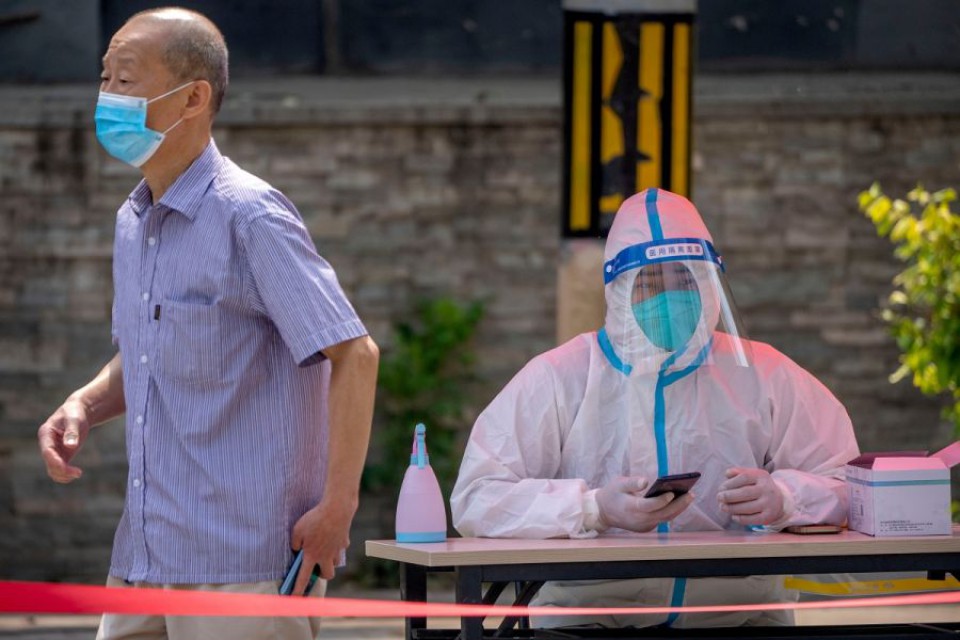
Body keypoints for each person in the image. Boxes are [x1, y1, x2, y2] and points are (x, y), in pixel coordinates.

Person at [36, 7, 379, 639]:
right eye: (104, 77)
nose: (106, 96)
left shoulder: (251, 216)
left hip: (243, 563)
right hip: (145, 554)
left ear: (193, 98)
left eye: (126, 80)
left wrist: (338, 507)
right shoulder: (132, 220)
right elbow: (147, 354)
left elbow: (355, 354)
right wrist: (82, 403)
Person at [451, 188, 859, 628]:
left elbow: (852, 485)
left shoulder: (765, 373)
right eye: (649, 283)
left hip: (739, 618)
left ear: (708, 283)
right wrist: (592, 509)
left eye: (684, 279)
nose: (670, 297)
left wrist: (786, 498)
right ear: (618, 291)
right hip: (590, 621)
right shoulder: (559, 378)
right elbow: (477, 498)